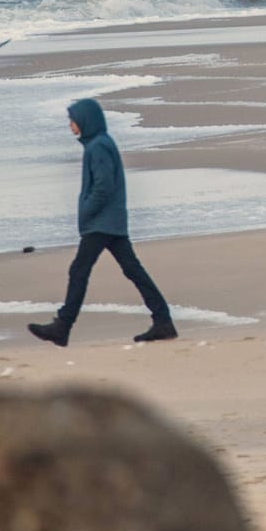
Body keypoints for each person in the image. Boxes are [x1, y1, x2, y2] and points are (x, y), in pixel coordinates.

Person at [28, 98, 177, 346]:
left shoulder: (98, 146)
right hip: (110, 221)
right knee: (132, 270)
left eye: (73, 120)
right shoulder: (100, 144)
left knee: (79, 270)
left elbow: (104, 187)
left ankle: (62, 326)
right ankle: (163, 322)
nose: (70, 125)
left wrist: (86, 211)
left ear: (85, 121)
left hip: (102, 223)